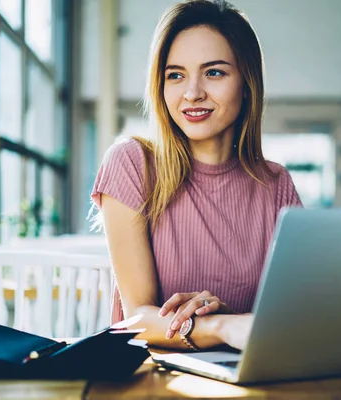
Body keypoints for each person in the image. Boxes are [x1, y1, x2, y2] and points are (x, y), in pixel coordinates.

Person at [90, 0, 302, 351]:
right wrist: (219, 326)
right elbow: (136, 318)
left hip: (245, 375)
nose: (192, 93)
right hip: (155, 380)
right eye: (175, 75)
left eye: (214, 72)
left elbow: (292, 315)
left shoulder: (276, 184)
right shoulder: (132, 163)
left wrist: (232, 319)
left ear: (246, 84)